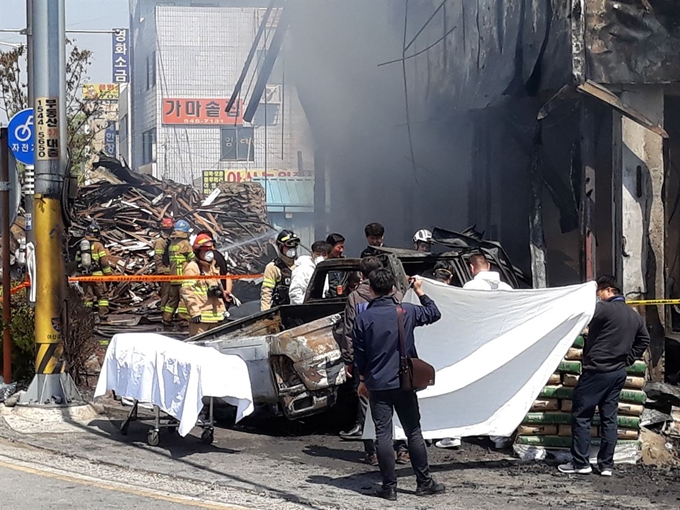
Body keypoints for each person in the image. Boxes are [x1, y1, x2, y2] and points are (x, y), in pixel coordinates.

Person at [353, 269, 445, 500]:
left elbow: (359, 356)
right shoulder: (407, 311)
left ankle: (389, 487)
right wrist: (420, 291)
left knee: (383, 434)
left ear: (371, 289)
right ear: (393, 288)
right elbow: (434, 313)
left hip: (377, 383)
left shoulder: (362, 317)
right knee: (413, 431)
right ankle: (424, 482)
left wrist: (362, 381)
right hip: (404, 382)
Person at [559, 276, 650, 476]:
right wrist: (628, 359)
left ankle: (580, 463)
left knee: (582, 416)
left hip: (597, 371)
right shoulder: (634, 316)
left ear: (608, 290)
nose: (598, 297)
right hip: (617, 373)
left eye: (599, 292)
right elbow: (644, 339)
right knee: (610, 418)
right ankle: (606, 465)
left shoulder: (604, 309)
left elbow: (582, 316)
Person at [339, 257, 407, 466]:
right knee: (398, 405)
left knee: (367, 406)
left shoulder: (355, 297)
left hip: (366, 360)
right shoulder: (397, 294)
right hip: (395, 357)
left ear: (362, 275)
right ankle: (402, 449)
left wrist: (348, 360)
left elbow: (349, 331)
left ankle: (373, 452)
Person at [179, 234, 227, 336]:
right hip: (200, 318)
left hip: (215, 317)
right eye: (206, 250)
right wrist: (195, 312)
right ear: (198, 251)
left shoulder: (212, 267)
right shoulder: (193, 267)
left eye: (210, 250)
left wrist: (223, 310)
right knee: (199, 346)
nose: (209, 253)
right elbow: (187, 291)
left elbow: (216, 290)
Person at [78, 222, 111, 318]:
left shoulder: (81, 245)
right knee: (102, 297)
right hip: (98, 275)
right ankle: (103, 316)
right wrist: (108, 273)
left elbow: (77, 260)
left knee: (88, 297)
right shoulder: (98, 245)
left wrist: (79, 274)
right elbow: (104, 261)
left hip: (85, 276)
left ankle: (86, 318)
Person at [261, 230, 300, 311]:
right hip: (280, 312)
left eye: (294, 247)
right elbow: (266, 293)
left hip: (298, 310)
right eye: (288, 246)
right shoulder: (273, 267)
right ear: (280, 247)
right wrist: (265, 313)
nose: (292, 249)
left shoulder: (300, 265)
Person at [166, 219, 195, 323]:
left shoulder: (172, 243)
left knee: (172, 299)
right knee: (184, 298)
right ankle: (182, 318)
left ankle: (166, 318)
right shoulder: (185, 243)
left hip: (173, 276)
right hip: (183, 275)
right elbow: (193, 258)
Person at [289, 241, 331, 305]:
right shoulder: (302, 270)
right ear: (312, 254)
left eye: (324, 255)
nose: (321, 257)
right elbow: (295, 294)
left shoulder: (324, 270)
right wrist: (307, 305)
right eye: (318, 254)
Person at [154, 217, 174, 326]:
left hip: (171, 270)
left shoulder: (170, 240)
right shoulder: (160, 241)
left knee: (171, 293)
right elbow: (158, 257)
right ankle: (164, 313)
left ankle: (168, 313)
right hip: (165, 271)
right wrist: (160, 270)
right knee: (166, 293)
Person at [325, 233, 347, 298]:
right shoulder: (324, 264)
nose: (341, 250)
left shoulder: (345, 264)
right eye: (339, 247)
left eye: (343, 247)